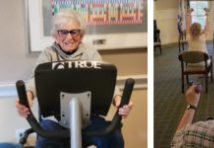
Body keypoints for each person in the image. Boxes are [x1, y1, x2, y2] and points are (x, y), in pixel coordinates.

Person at [15, 10, 133, 148]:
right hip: (55, 121)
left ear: (81, 35)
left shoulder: (90, 53)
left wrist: (119, 100)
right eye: (63, 32)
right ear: (55, 35)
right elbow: (36, 78)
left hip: (88, 119)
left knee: (113, 138)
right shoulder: (48, 54)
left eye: (74, 32)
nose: (69, 37)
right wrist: (27, 98)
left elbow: (105, 81)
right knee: (45, 143)